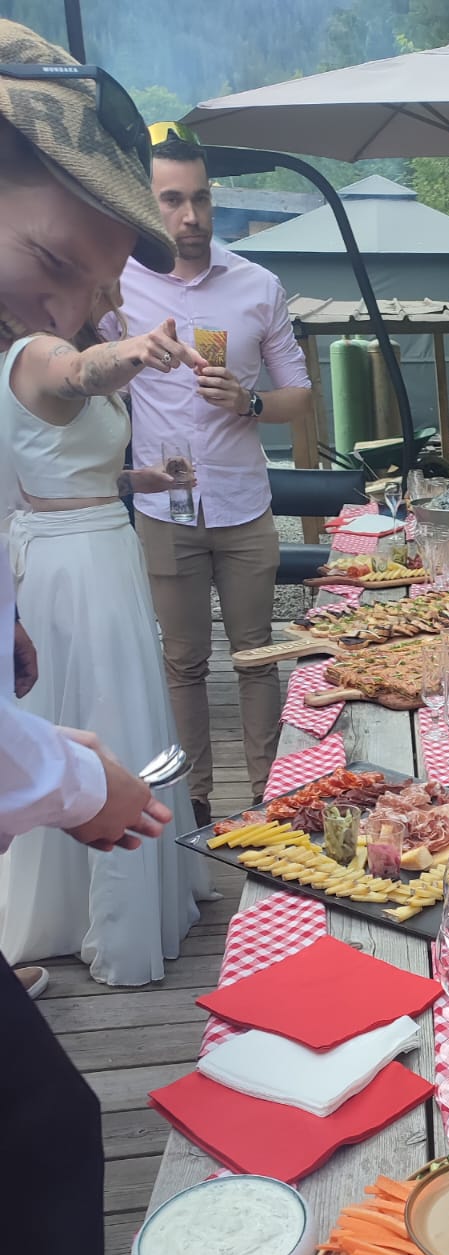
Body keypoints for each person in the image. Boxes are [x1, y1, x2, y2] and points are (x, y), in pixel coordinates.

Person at [0, 21, 178, 1255]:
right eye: (52, 258)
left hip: (78, 578)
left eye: (87, 285)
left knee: (48, 1140)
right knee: (49, 1150)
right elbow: (54, 380)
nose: (59, 307)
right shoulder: (34, 350)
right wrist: (68, 778)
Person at [0, 290, 207, 986]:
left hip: (105, 547)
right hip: (73, 564)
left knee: (115, 702)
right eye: (104, 275)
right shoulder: (39, 351)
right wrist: (137, 350)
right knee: (106, 710)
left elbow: (66, 464)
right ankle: (113, 919)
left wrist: (141, 479)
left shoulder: (72, 347)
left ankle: (80, 901)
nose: (115, 290)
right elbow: (81, 373)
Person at [113, 130, 312, 827]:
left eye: (200, 198)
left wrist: (249, 401)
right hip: (166, 508)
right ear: (149, 204)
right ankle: (193, 805)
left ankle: (271, 801)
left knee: (257, 657)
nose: (190, 215)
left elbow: (299, 396)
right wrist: (131, 355)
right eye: (172, 200)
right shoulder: (118, 287)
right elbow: (80, 377)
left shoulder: (258, 285)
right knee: (183, 663)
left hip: (243, 502)